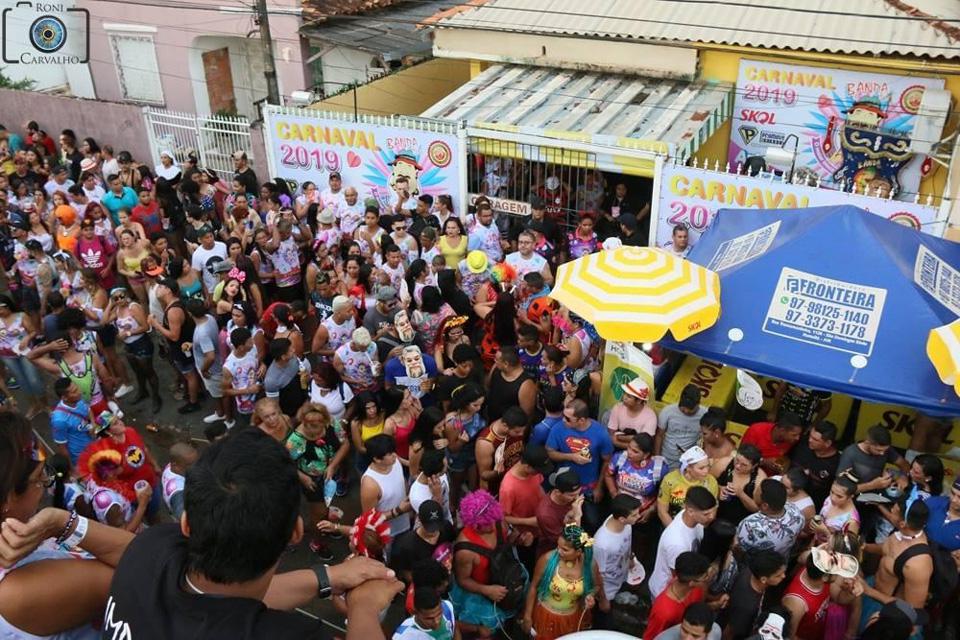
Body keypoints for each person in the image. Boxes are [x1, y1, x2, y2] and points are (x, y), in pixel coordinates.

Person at [101, 426, 403, 638]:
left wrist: (329, 577)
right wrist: (362, 608)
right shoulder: (289, 634)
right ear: (296, 532)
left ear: (186, 525)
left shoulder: (148, 551)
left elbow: (231, 606)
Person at [0, 412, 142, 638]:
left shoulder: (18, 537)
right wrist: (63, 522)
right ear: (8, 498)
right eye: (40, 478)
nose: (46, 485)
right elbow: (145, 568)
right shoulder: (18, 592)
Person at [451, 489, 528, 638]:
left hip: (506, 577)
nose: (491, 526)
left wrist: (520, 539)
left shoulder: (498, 521)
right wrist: (487, 590)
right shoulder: (465, 550)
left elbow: (505, 546)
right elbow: (463, 580)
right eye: (485, 524)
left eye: (492, 520)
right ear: (474, 525)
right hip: (483, 592)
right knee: (488, 629)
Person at [858, 501, 933, 633]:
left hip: (885, 611)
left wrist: (869, 591)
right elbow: (887, 550)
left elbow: (911, 610)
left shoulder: (918, 564)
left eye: (894, 510)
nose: (891, 510)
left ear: (903, 523)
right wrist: (866, 547)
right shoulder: (901, 533)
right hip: (871, 588)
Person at [287, 403, 349, 561]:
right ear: (303, 422)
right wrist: (303, 477)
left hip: (330, 474)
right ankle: (317, 541)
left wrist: (333, 466)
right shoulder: (295, 440)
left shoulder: (332, 424)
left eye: (320, 425)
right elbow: (286, 462)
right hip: (311, 480)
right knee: (318, 513)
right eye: (312, 426)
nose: (317, 431)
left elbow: (345, 444)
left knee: (328, 503)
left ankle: (329, 526)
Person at [522, 524, 604, 640]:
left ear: (579, 551)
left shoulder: (590, 565)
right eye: (558, 546)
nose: (559, 551)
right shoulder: (547, 559)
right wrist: (527, 616)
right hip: (546, 617)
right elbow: (533, 587)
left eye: (565, 550)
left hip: (572, 619)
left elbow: (596, 586)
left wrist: (590, 596)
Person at [546, 399, 614, 530]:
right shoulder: (558, 428)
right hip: (563, 486)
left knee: (592, 522)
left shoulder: (600, 433)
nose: (563, 420)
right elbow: (550, 452)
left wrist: (599, 487)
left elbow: (607, 460)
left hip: (588, 487)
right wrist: (571, 457)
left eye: (568, 418)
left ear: (581, 420)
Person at [649, 486, 718, 598]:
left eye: (713, 512)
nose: (712, 517)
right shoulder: (677, 543)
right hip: (666, 593)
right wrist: (707, 577)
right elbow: (679, 578)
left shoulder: (691, 518)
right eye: (706, 514)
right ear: (690, 511)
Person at [782, 549, 857, 640]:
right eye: (836, 572)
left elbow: (838, 598)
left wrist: (851, 592)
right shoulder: (796, 602)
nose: (838, 575)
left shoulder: (819, 570)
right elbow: (789, 636)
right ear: (825, 577)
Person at [644, 551, 717, 640]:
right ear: (692, 583)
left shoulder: (695, 587)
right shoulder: (663, 613)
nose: (708, 579)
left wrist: (715, 603)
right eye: (705, 577)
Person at [500, 443, 551, 567]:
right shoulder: (508, 487)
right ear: (527, 467)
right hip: (524, 536)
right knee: (529, 563)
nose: (540, 473)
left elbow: (538, 487)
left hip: (540, 527)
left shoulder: (533, 473)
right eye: (538, 470)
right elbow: (503, 517)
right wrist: (531, 522)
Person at [719, 550, 788, 640]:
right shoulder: (746, 607)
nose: (784, 576)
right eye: (778, 575)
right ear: (763, 579)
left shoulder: (751, 571)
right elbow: (730, 632)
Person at [361, 434, 413, 545]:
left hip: (405, 523)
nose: (395, 455)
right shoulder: (370, 484)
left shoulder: (394, 462)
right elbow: (370, 519)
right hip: (387, 534)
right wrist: (398, 511)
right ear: (377, 459)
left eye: (394, 451)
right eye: (389, 454)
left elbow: (402, 482)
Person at [605, 432, 668, 522]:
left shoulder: (659, 468)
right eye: (629, 448)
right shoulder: (619, 458)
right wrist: (613, 493)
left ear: (646, 455)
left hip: (641, 515)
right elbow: (608, 475)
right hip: (620, 511)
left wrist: (651, 510)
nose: (629, 453)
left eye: (635, 451)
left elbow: (664, 494)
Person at [736, 479, 805, 561]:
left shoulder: (750, 525)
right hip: (780, 561)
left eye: (757, 491)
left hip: (754, 568)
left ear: (765, 506)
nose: (754, 492)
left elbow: (739, 551)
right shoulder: (796, 513)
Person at [592, 493, 642, 607]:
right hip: (607, 589)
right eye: (634, 515)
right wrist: (603, 600)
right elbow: (596, 573)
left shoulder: (627, 525)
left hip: (621, 577)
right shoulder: (602, 544)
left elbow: (627, 544)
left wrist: (631, 558)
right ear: (622, 519)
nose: (638, 516)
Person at [389, 500, 455, 584]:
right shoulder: (406, 545)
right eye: (429, 526)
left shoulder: (446, 528)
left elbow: (452, 545)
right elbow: (406, 573)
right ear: (419, 519)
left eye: (437, 526)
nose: (434, 531)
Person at [836, 425, 910, 495]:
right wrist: (872, 485)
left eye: (885, 450)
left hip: (877, 495)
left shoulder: (886, 450)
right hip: (855, 497)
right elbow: (842, 489)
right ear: (867, 443)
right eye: (878, 450)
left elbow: (904, 464)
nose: (882, 453)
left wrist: (903, 476)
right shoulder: (850, 454)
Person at [658, 446, 719, 525]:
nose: (706, 471)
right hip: (672, 524)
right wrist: (675, 530)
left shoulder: (711, 482)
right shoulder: (670, 480)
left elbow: (712, 513)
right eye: (701, 468)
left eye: (708, 466)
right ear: (688, 468)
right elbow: (662, 511)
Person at [789, 420, 840, 509]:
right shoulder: (801, 443)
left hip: (809, 506)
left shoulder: (836, 464)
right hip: (786, 495)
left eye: (815, 439)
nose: (809, 440)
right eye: (810, 436)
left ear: (828, 443)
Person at [656, 383, 707, 470]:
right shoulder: (668, 411)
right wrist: (657, 458)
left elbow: (707, 438)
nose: (686, 411)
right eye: (683, 409)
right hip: (667, 457)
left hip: (689, 461)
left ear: (698, 404)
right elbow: (659, 435)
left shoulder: (705, 414)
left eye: (690, 409)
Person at [716, 444, 766, 526]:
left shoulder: (759, 479)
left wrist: (741, 494)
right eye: (737, 460)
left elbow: (757, 509)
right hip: (716, 514)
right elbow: (707, 481)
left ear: (754, 466)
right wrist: (718, 488)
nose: (738, 466)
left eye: (744, 465)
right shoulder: (724, 464)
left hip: (740, 522)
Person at [50, 377, 96, 464]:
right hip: (81, 457)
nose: (79, 392)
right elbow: (62, 447)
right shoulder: (59, 420)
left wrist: (93, 424)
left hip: (93, 445)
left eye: (77, 387)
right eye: (74, 392)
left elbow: (88, 410)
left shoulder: (78, 399)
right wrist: (72, 470)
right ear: (65, 398)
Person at [740, 412, 805, 475]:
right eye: (794, 435)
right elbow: (742, 455)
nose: (797, 438)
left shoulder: (791, 441)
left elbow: (786, 459)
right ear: (782, 431)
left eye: (799, 435)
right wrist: (763, 461)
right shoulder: (756, 431)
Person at [393, 584, 459, 640]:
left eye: (439, 614)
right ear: (415, 612)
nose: (436, 621)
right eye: (429, 618)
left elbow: (455, 628)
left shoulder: (447, 606)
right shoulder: (403, 637)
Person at [606, 377, 658, 447]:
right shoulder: (618, 408)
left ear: (639, 401)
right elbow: (611, 436)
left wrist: (619, 438)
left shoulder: (650, 416)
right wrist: (633, 439)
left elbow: (644, 444)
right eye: (624, 393)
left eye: (629, 396)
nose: (624, 397)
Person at [161, 442, 198, 521]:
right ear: (175, 465)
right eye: (190, 464)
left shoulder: (171, 467)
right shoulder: (178, 491)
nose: (196, 466)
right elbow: (184, 517)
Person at [655, 602, 722, 640]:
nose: (687, 639)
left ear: (708, 633)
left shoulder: (715, 631)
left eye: (695, 636)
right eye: (684, 631)